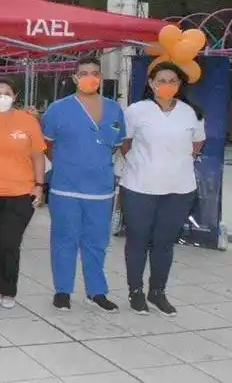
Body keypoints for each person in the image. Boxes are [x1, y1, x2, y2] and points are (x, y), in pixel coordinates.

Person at [41, 56, 126, 312]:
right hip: (66, 187)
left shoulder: (114, 109)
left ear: (101, 77)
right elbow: (47, 144)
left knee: (97, 242)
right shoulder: (59, 109)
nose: (90, 77)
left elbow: (117, 144)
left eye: (95, 73)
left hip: (100, 189)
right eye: (84, 72)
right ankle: (63, 290)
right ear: (75, 77)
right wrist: (68, 164)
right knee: (64, 240)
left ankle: (96, 291)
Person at [120, 62, 205, 316]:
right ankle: (135, 291)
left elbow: (197, 144)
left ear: (180, 85)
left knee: (164, 243)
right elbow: (125, 143)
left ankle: (157, 291)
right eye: (161, 80)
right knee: (138, 240)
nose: (166, 85)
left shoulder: (191, 113)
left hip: (178, 189)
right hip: (139, 187)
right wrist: (142, 163)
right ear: (150, 82)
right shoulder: (136, 111)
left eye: (172, 81)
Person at [0, 78, 46, 308]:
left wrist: (39, 185)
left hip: (21, 192)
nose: (2, 97)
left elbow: (37, 155)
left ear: (15, 96)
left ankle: (9, 290)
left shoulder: (28, 121)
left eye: (7, 93)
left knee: (10, 241)